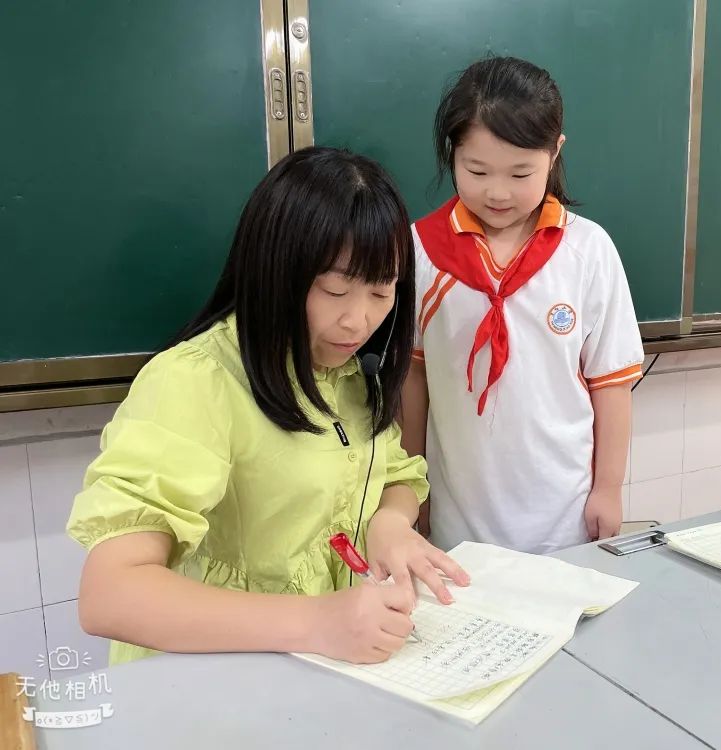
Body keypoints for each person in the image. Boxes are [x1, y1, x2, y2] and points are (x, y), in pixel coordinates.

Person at [67, 146, 469, 666]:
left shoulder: (346, 371)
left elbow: (396, 473)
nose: (359, 320)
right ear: (274, 271)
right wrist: (318, 621)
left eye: (381, 291)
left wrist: (388, 523)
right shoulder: (195, 382)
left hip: (319, 664)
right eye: (335, 289)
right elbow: (110, 596)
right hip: (217, 669)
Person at [402, 56, 644, 555]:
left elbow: (611, 384)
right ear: (452, 154)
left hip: (564, 518)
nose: (497, 191)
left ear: (554, 152)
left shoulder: (588, 250)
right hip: (458, 521)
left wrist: (609, 489)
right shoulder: (421, 251)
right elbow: (413, 378)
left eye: (520, 173)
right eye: (476, 169)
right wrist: (413, 489)